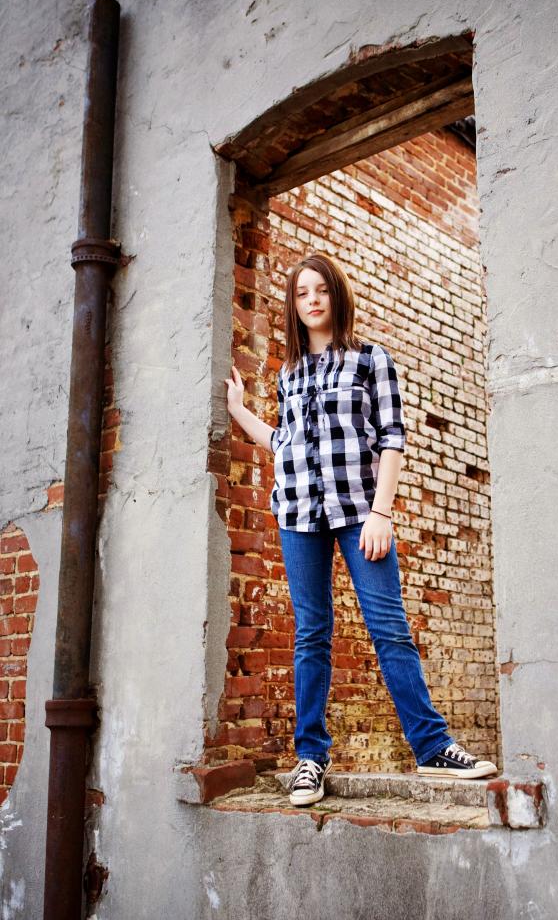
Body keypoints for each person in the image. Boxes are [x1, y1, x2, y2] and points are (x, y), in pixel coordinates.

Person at [225, 251, 497, 807]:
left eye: (320, 289)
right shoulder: (289, 375)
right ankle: (310, 759)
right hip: (300, 513)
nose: (312, 301)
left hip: (359, 513)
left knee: (389, 627)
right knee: (311, 634)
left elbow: (392, 438)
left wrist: (382, 511)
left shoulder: (372, 359)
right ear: (293, 306)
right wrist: (238, 410)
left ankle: (432, 748)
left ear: (336, 294)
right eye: (301, 293)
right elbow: (285, 444)